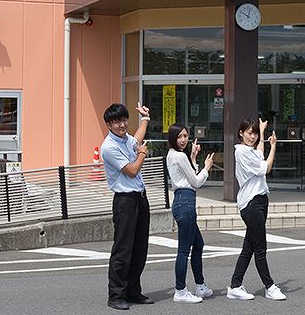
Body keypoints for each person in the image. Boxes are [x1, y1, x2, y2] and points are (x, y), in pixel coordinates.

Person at [100, 102, 155, 310]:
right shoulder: (109, 147)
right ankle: (116, 295)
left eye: (124, 120)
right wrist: (142, 154)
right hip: (125, 201)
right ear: (108, 124)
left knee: (140, 247)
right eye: (117, 122)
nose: (122, 125)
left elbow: (137, 138)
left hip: (140, 197)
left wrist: (145, 118)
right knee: (123, 249)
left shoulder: (125, 140)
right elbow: (131, 170)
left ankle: (133, 291)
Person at [227, 118, 287, 301]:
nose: (252, 136)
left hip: (259, 201)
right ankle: (270, 286)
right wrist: (274, 146)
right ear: (241, 133)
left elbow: (260, 155)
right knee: (260, 248)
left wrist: (261, 132)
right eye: (249, 132)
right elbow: (266, 167)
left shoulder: (250, 151)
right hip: (251, 204)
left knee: (249, 247)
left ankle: (235, 285)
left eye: (254, 133)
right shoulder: (242, 152)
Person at [166, 123, 215, 303]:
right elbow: (195, 182)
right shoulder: (179, 156)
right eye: (179, 136)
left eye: (185, 136)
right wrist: (207, 167)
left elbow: (187, 176)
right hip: (185, 202)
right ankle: (180, 290)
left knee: (198, 244)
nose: (184, 139)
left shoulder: (173, 155)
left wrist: (193, 157)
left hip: (182, 201)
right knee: (183, 251)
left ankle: (200, 286)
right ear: (172, 138)